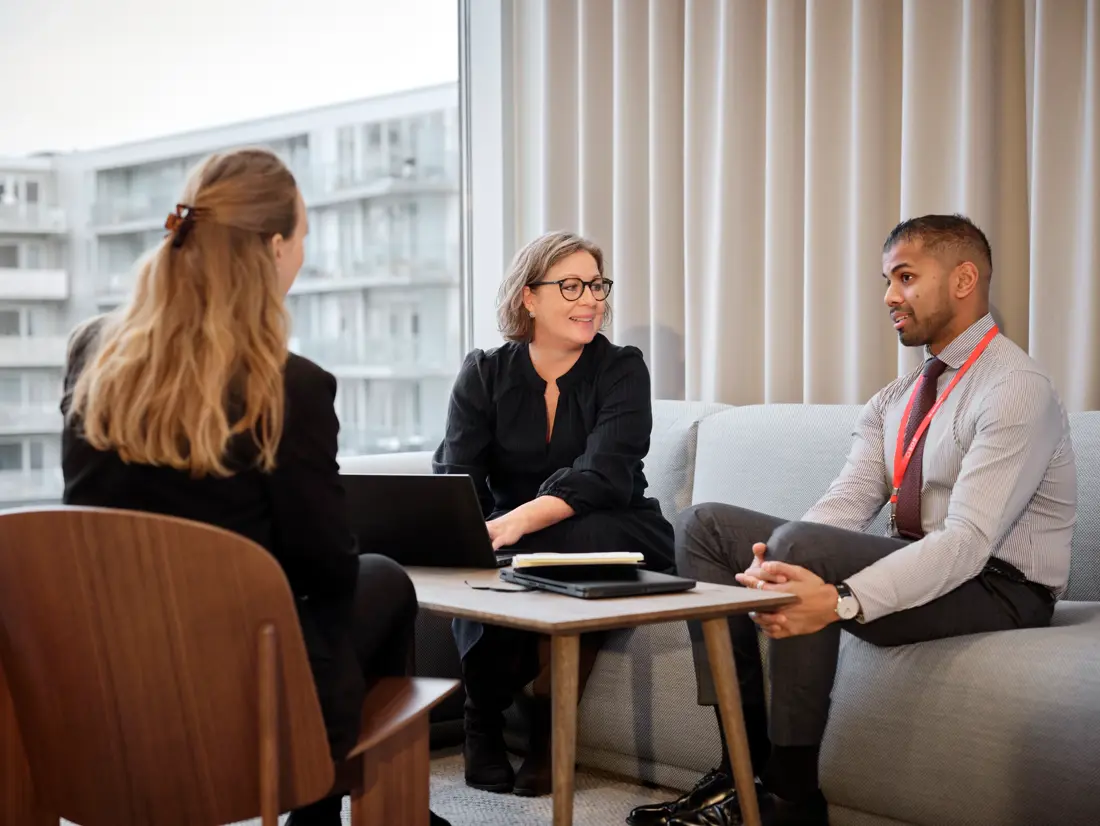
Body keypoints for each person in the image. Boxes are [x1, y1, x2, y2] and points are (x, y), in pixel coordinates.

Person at [628, 214, 1075, 826]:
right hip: (922, 563)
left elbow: (969, 543)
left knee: (802, 547)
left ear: (965, 278)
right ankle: (743, 766)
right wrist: (773, 565)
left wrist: (838, 600)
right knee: (703, 525)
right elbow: (844, 504)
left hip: (1000, 587)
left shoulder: (1015, 387)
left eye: (906, 277)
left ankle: (790, 800)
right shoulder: (897, 398)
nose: (889, 296)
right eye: (887, 280)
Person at [60, 148, 450, 826]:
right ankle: (328, 804)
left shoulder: (96, 354)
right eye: (303, 239)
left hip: (107, 687)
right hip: (238, 696)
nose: (302, 256)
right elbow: (326, 567)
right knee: (383, 579)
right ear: (273, 248)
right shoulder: (287, 384)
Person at [433, 230, 676, 796]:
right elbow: (457, 473)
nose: (591, 299)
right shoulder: (484, 372)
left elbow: (606, 471)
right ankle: (482, 720)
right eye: (571, 286)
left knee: (568, 537)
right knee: (489, 555)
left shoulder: (622, 368)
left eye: (596, 285)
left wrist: (516, 521)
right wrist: (476, 530)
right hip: (514, 535)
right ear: (529, 297)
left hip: (617, 525)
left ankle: (546, 733)